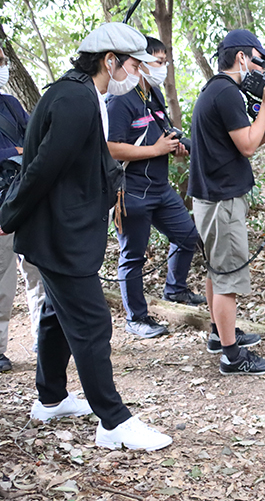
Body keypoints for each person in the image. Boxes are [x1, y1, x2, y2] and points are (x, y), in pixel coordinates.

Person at [0, 22, 172, 450]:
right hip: (58, 234)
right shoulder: (76, 99)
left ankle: (51, 398)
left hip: (64, 229)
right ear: (109, 61)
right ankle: (113, 422)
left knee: (57, 315)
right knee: (93, 323)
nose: (137, 73)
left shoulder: (79, 93)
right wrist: (9, 215)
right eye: (133, 64)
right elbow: (41, 167)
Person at [188, 29, 265, 375]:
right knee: (228, 277)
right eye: (259, 61)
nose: (262, 70)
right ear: (242, 58)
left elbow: (249, 140)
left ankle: (221, 335)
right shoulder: (226, 93)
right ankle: (232, 357)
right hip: (222, 203)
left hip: (213, 200)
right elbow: (248, 147)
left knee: (217, 273)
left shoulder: (216, 90)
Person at [107, 36, 205, 340]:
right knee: (133, 256)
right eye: (158, 62)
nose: (163, 67)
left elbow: (160, 132)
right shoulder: (120, 100)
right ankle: (136, 318)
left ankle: (175, 289)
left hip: (160, 188)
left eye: (165, 62)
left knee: (188, 236)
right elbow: (111, 148)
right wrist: (156, 150)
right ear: (140, 63)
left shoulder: (153, 94)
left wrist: (174, 144)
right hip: (131, 191)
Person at [0, 46, 46, 371]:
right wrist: (13, 150)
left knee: (36, 270)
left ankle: (43, 338)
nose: (3, 68)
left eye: (2, 62)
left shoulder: (11, 103)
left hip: (22, 196)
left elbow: (34, 135)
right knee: (2, 278)